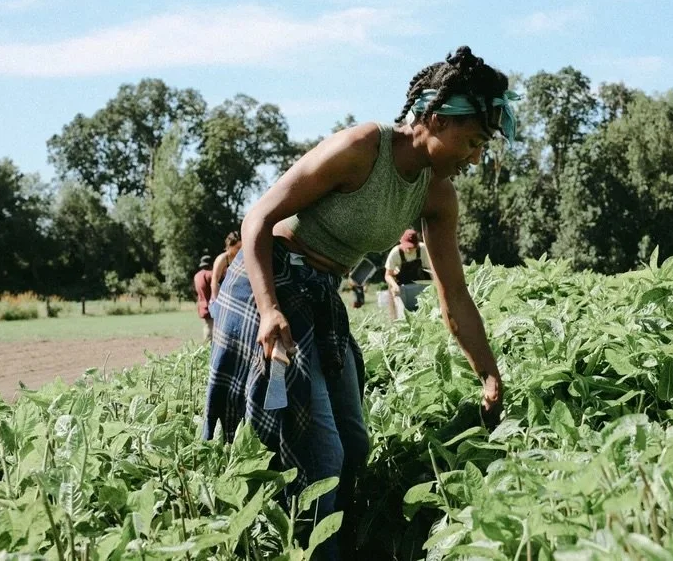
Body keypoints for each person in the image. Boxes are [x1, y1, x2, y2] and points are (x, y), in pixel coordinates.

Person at [203, 46, 516, 560]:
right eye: (473, 141)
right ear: (436, 118)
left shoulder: (437, 197)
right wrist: (268, 310)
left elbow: (453, 294)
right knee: (320, 454)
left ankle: (336, 544)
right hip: (269, 282)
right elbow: (257, 219)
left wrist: (488, 373)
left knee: (354, 443)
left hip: (320, 296)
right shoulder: (361, 148)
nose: (476, 157)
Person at [384, 228, 432, 320]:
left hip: (420, 282)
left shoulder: (423, 249)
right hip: (402, 285)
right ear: (401, 243)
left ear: (417, 245)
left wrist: (435, 285)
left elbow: (430, 270)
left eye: (412, 247)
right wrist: (394, 286)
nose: (409, 250)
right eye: (407, 247)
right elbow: (387, 275)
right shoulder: (395, 253)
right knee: (399, 308)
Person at [209, 231, 242, 303]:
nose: (240, 250)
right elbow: (215, 281)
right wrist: (215, 300)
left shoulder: (242, 258)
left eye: (242, 247)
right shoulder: (222, 259)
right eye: (238, 248)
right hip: (222, 297)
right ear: (230, 246)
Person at [193, 254, 213, 341]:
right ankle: (207, 347)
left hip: (201, 305)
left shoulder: (197, 276)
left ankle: (206, 346)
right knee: (211, 328)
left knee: (207, 326)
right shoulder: (210, 274)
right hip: (211, 305)